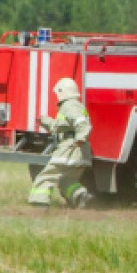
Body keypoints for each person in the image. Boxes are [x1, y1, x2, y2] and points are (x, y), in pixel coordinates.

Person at [28, 78, 93, 209]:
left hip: (69, 149)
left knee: (46, 177)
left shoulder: (69, 106)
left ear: (62, 92)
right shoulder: (75, 105)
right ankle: (81, 196)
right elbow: (59, 127)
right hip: (80, 152)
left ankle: (39, 203)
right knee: (66, 180)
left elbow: (82, 124)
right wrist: (44, 120)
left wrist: (80, 137)